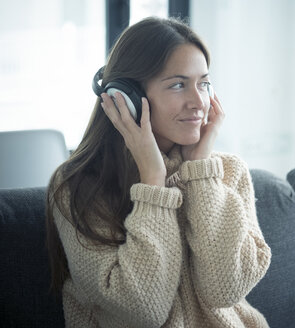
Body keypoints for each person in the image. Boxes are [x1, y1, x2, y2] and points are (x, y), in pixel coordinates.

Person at [46, 17, 271, 328]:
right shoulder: (78, 186)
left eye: (203, 83)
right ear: (126, 97)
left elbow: (225, 289)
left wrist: (201, 171)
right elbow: (142, 312)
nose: (199, 102)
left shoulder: (227, 173)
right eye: (178, 84)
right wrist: (153, 180)